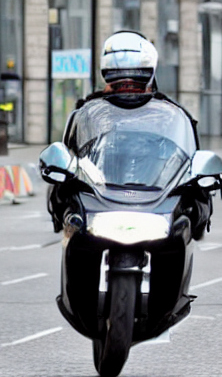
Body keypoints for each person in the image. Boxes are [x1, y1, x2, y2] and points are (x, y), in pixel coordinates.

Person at [48, 30, 212, 240]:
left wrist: (197, 186)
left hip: (156, 195)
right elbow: (67, 160)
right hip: (100, 195)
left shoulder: (171, 114)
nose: (127, 88)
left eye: (134, 81)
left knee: (185, 216)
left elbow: (189, 160)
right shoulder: (89, 112)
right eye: (120, 82)